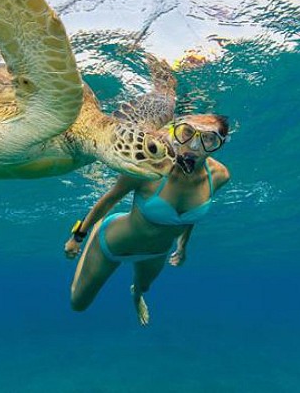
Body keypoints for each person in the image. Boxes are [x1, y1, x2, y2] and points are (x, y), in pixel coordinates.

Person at [64, 114, 231, 325]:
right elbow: (109, 200)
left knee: (143, 288)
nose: (194, 145)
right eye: (187, 133)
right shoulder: (151, 165)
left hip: (157, 252)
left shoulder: (219, 176)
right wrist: (77, 237)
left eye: (208, 139)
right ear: (176, 133)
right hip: (113, 244)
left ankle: (136, 296)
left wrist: (182, 246)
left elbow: (189, 217)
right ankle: (98, 229)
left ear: (220, 144)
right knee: (78, 304)